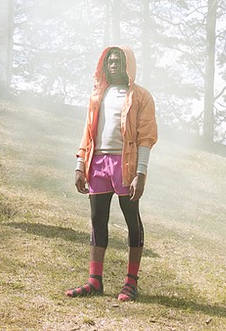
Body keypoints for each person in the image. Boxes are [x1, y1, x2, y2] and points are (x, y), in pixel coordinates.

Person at [66, 45, 157, 302]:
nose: (114, 64)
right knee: (98, 219)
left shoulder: (141, 97)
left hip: (126, 165)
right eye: (110, 60)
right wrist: (80, 165)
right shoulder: (97, 96)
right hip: (98, 164)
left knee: (131, 219)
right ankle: (94, 280)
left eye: (119, 60)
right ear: (105, 65)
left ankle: (131, 282)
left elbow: (146, 137)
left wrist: (141, 172)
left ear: (128, 64)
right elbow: (88, 132)